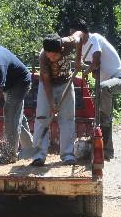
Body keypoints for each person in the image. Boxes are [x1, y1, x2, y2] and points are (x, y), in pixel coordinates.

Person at [70, 18, 121, 160]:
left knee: (103, 97)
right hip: (103, 84)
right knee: (100, 117)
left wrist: (86, 71)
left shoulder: (94, 38)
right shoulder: (82, 48)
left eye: (75, 35)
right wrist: (86, 70)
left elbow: (96, 62)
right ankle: (104, 149)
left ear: (82, 33)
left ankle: (104, 121)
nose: (74, 39)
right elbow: (93, 70)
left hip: (118, 79)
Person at [30, 33, 83, 166]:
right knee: (42, 117)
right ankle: (38, 156)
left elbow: (80, 38)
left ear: (62, 50)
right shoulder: (43, 57)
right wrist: (52, 103)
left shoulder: (68, 42)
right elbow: (46, 81)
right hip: (47, 86)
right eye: (49, 54)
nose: (51, 57)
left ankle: (68, 155)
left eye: (54, 55)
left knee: (67, 118)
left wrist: (78, 59)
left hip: (66, 82)